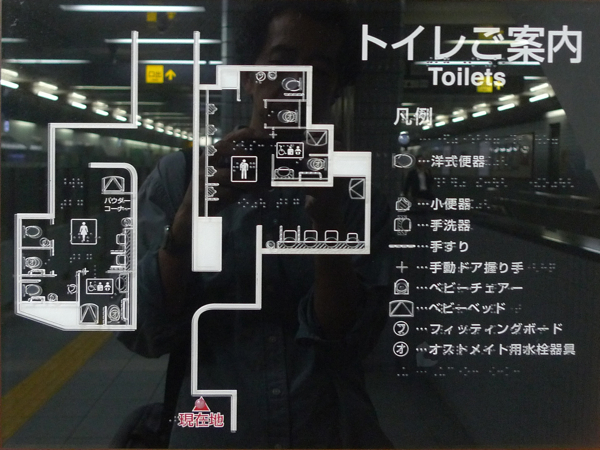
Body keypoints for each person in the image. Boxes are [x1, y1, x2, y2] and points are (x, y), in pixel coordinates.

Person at [120, 1, 393, 447]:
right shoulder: (181, 179)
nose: (297, 82)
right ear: (248, 77)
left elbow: (350, 344)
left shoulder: (358, 198)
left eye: (320, 70)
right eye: (281, 62)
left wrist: (329, 231)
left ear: (335, 90)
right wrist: (186, 227)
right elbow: (141, 332)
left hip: (328, 433)